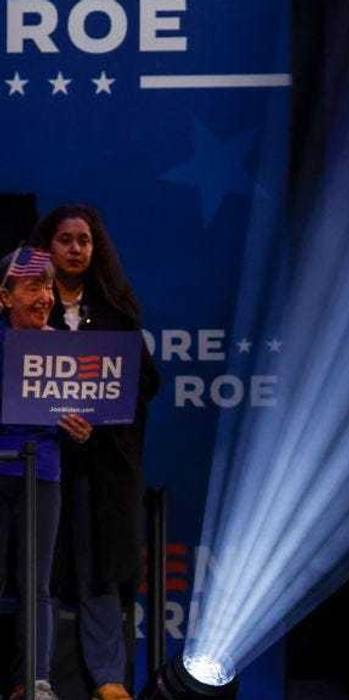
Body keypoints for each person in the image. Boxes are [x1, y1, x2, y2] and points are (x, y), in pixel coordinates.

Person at [29, 206, 159, 700]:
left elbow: (143, 384)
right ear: (47, 246)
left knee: (99, 565)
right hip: (37, 458)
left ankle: (109, 678)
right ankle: (33, 676)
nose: (77, 249)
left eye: (84, 240)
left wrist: (95, 423)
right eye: (66, 239)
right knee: (37, 570)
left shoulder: (115, 309)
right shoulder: (23, 307)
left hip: (100, 466)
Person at [0, 247, 93, 700]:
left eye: (50, 286)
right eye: (34, 285)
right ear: (5, 296)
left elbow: (85, 412)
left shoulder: (66, 352)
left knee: (36, 584)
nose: (46, 296)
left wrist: (80, 428)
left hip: (44, 476)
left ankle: (33, 682)